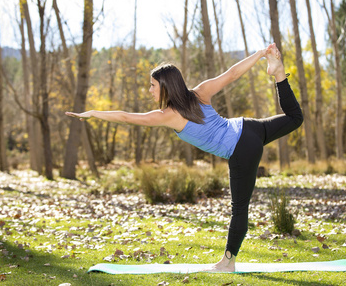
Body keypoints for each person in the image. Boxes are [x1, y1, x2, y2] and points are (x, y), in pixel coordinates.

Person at [65, 43, 303, 272]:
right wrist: (260, 54)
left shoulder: (168, 115)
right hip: (248, 127)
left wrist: (94, 113)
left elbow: (127, 117)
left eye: (152, 85)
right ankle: (278, 73)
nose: (149, 90)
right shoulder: (200, 92)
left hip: (240, 149)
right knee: (295, 118)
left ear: (165, 87)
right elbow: (232, 74)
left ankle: (228, 262)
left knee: (239, 208)